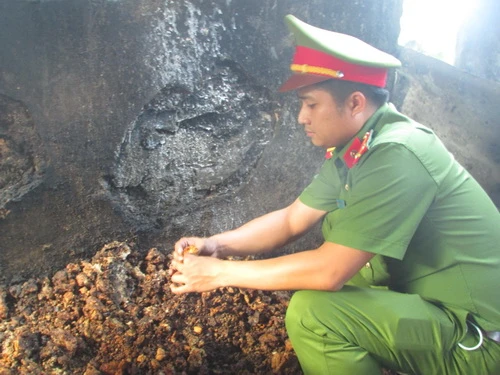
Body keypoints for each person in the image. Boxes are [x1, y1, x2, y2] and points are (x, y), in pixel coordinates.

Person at [169, 14, 500, 374]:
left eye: (310, 104)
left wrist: (218, 274)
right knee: (346, 280)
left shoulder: (396, 154)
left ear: (356, 103)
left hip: (479, 340)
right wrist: (218, 245)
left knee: (314, 314)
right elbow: (292, 219)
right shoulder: (360, 149)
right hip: (441, 312)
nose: (300, 117)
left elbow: (329, 271)